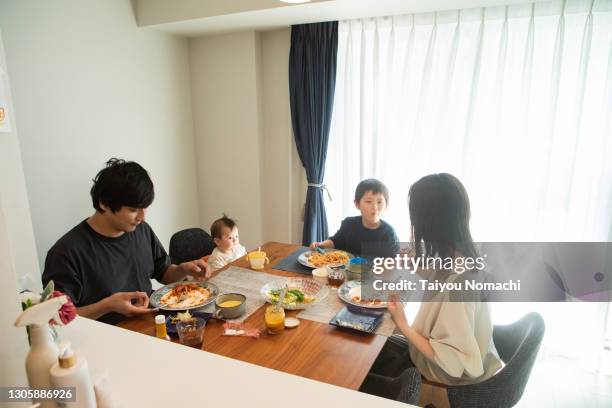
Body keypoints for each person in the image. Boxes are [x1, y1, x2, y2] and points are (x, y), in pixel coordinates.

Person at [363, 173, 502, 401]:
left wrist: (404, 325)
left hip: (448, 376)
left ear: (430, 223)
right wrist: (412, 262)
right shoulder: (466, 253)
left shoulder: (460, 286)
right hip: (472, 354)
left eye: (415, 219)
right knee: (375, 338)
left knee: (366, 352)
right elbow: (440, 276)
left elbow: (453, 360)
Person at [42, 158, 210, 325]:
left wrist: (182, 270)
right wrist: (107, 306)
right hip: (108, 337)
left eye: (145, 208)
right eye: (133, 209)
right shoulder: (66, 253)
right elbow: (55, 319)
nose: (143, 217)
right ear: (104, 204)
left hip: (152, 323)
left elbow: (163, 272)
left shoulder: (141, 230)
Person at [309, 178, 399, 257]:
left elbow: (391, 264)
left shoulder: (388, 233)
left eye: (379, 202)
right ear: (357, 204)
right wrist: (320, 244)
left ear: (386, 205)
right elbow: (335, 242)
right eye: (368, 201)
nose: (375, 207)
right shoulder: (349, 224)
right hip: (347, 272)